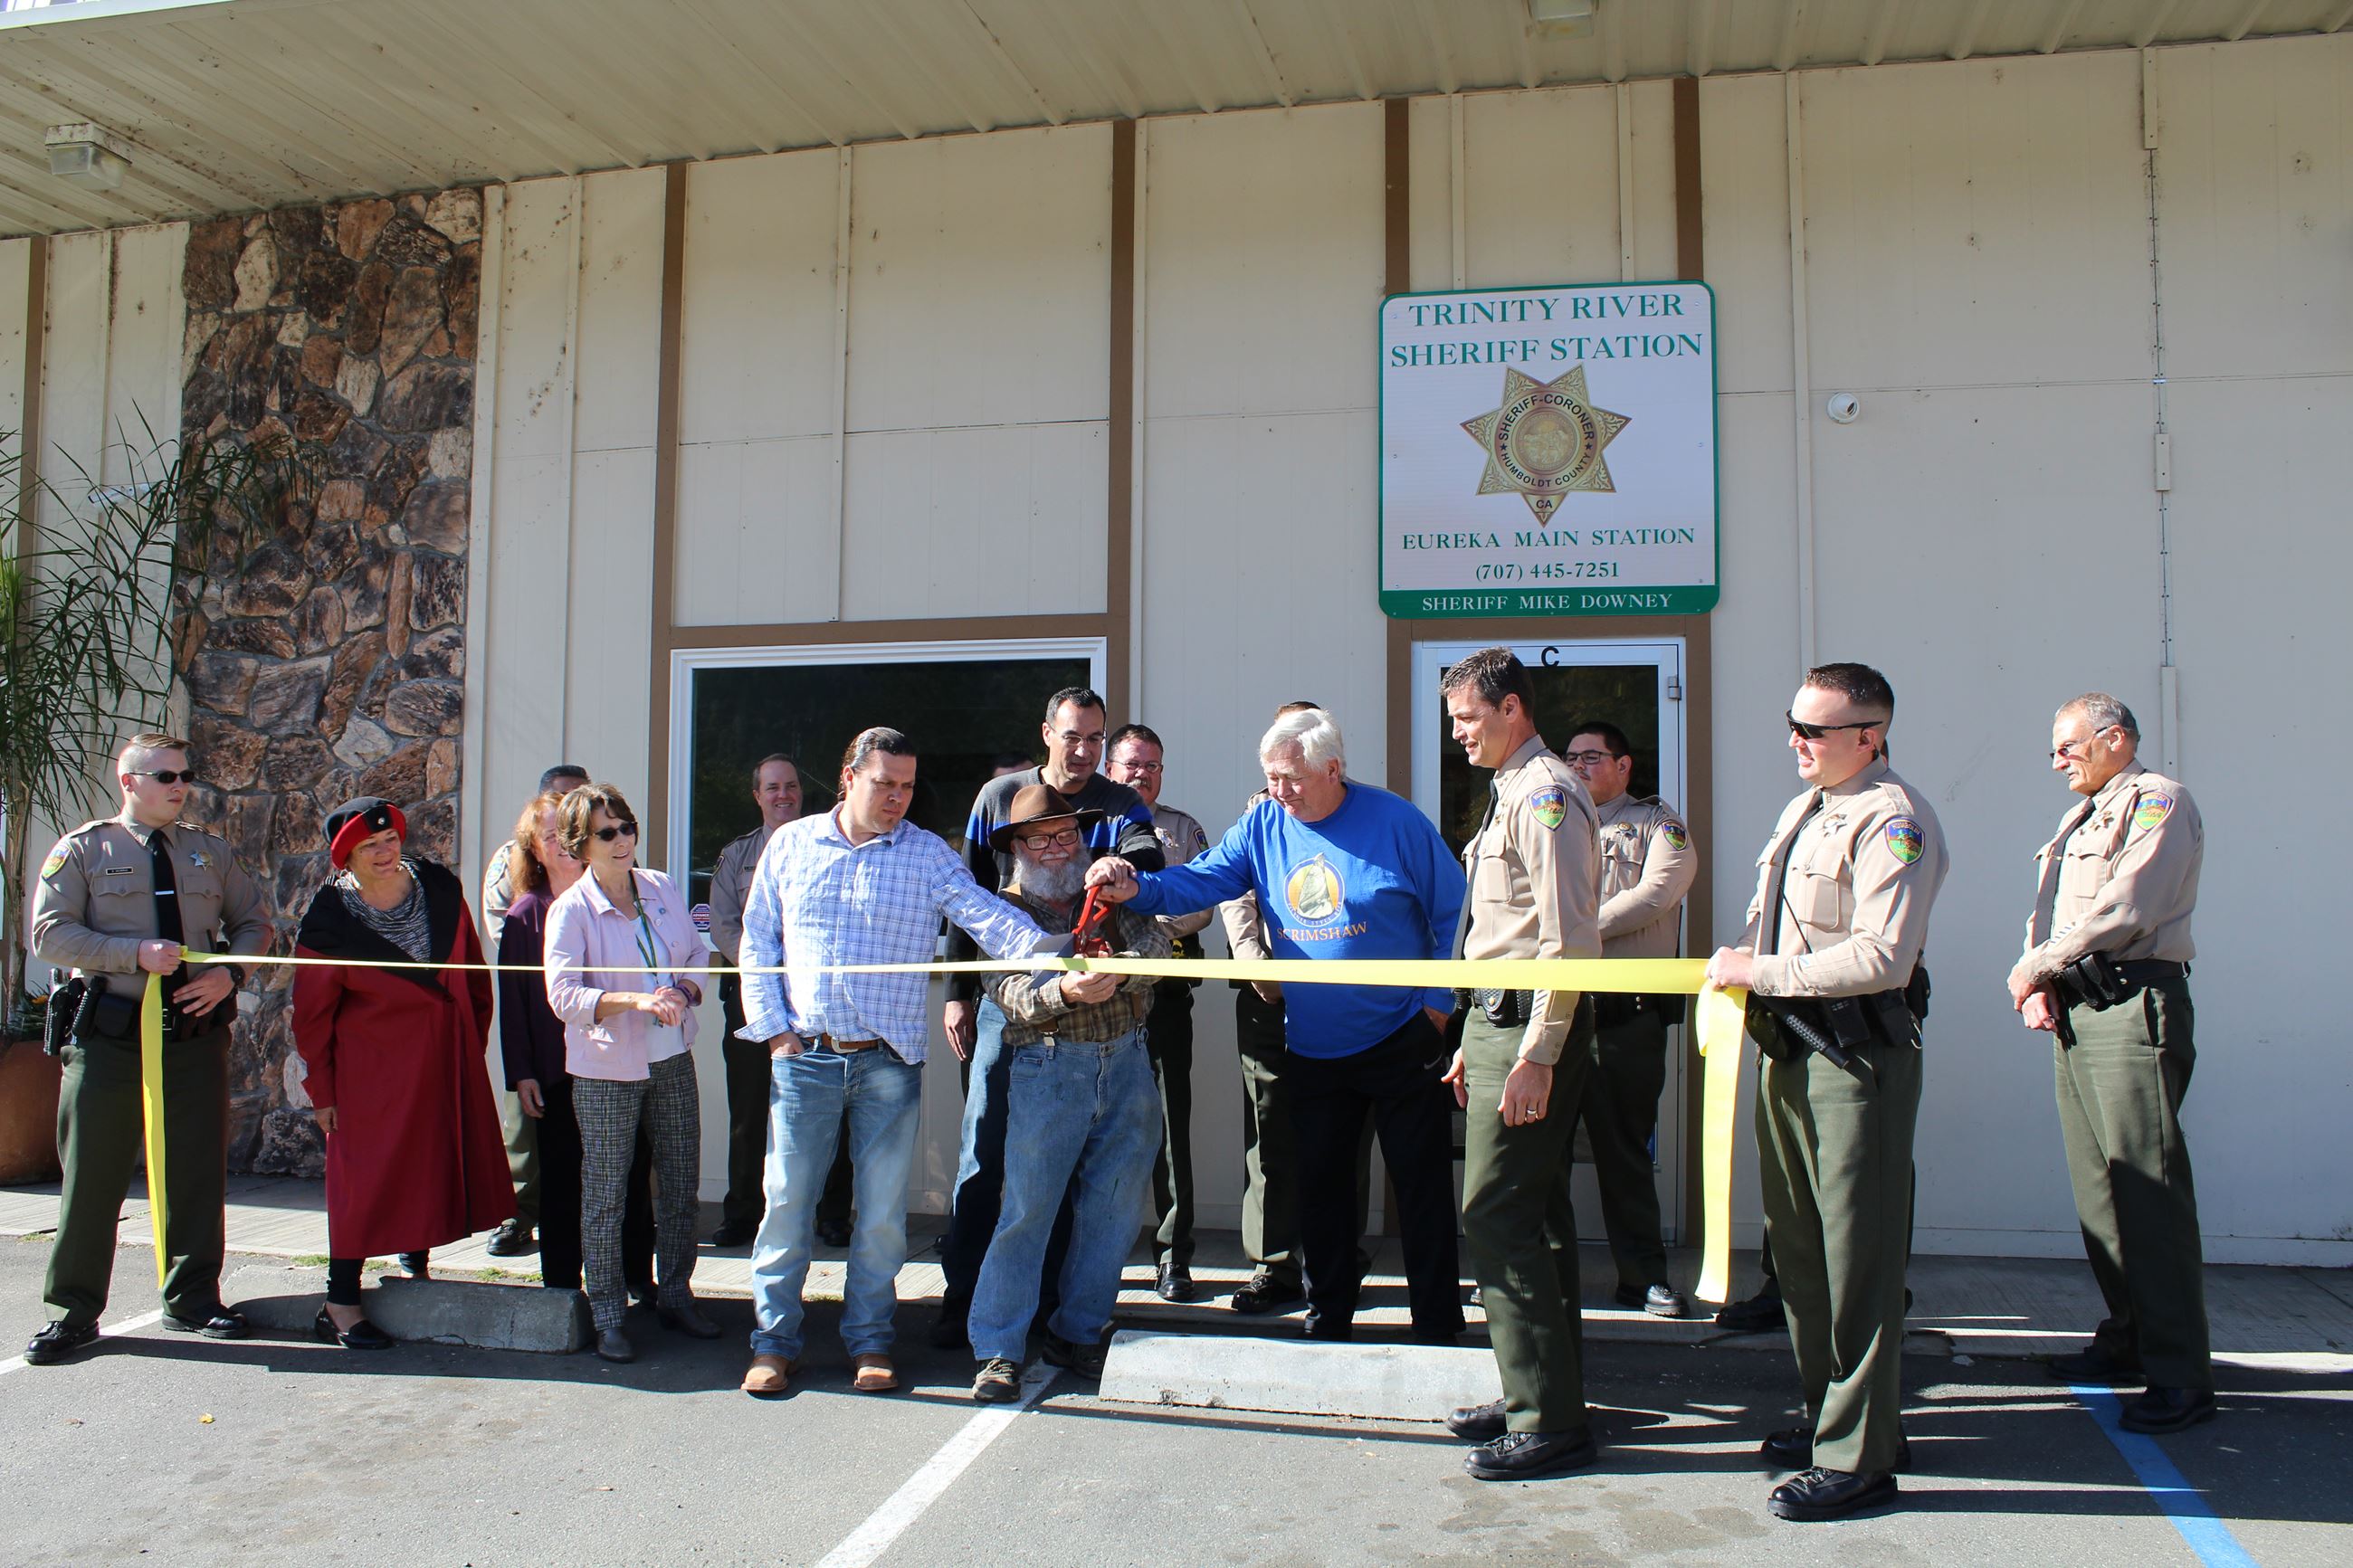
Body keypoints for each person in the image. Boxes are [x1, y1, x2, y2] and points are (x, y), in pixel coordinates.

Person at [1090, 707, 1467, 1345]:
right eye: (1271, 776)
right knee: (1320, 1190)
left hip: (1402, 1035)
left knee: (1420, 1188)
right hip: (1313, 1044)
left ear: (1333, 769)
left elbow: (1452, 908)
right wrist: (1137, 890)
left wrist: (1436, 1004)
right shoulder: (1264, 822)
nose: (1280, 790)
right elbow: (1202, 881)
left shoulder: (1395, 820)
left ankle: (1436, 1326)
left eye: (1292, 778)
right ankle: (1329, 1317)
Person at [737, 727, 1062, 1399]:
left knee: (882, 1216)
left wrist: (1060, 955)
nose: (897, 797)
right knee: (787, 1206)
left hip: (888, 1062)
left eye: (908, 786)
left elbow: (987, 917)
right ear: (848, 777)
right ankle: (773, 1343)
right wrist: (774, 1035)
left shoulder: (926, 853)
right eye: (885, 783)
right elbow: (758, 940)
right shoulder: (791, 844)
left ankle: (871, 1340)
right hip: (805, 1056)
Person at [1706, 662, 1946, 1523]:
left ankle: (1860, 1459)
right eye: (1794, 723)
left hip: (1853, 1057)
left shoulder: (1893, 818)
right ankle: (1836, 1417)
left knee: (1858, 1258)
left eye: (1814, 729)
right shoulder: (1805, 809)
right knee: (1800, 1254)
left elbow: (1883, 954)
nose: (1796, 741)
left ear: (1869, 735)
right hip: (1790, 1048)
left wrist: (1756, 971)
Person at [24, 734, 271, 1365]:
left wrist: (229, 972)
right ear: (128, 780)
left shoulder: (210, 852)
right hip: (110, 1036)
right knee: (93, 1176)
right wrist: (132, 953)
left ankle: (193, 1299)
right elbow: (50, 934)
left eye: (185, 775)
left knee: (194, 1171)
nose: (179, 786)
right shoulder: (85, 849)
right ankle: (71, 1312)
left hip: (190, 1036)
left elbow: (253, 923)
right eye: (165, 776)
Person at [2007, 693, 2212, 1434]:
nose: (2057, 761)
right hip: (2080, 1005)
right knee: (2102, 1192)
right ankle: (2131, 1339)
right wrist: (2044, 978)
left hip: (2131, 1005)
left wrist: (2037, 966)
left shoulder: (2158, 801)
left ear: (2116, 738)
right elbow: (2051, 911)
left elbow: (2128, 908)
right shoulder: (2081, 817)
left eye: (2068, 746)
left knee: (2147, 1192)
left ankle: (2181, 1375)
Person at [934, 687, 1163, 1347]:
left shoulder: (1116, 801)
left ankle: (1058, 1313)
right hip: (1009, 1010)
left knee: (1090, 1187)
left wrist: (1121, 873)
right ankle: (964, 1302)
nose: (1084, 749)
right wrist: (957, 991)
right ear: (1047, 734)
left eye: (1095, 738)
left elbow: (1149, 861)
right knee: (989, 1158)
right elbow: (968, 899)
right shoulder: (996, 797)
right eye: (1073, 737)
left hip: (1111, 1037)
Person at [1433, 650, 1605, 1480]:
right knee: (1534, 1214)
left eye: (1468, 718)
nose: (1458, 734)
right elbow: (1498, 934)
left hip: (1530, 1028)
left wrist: (1537, 1053)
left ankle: (1549, 1420)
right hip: (1497, 1021)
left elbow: (1567, 942)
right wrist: (1473, 1038)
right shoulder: (1509, 789)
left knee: (1499, 1215)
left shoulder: (1545, 796)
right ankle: (1538, 1389)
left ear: (1511, 708)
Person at [968, 784, 1169, 1401]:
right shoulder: (999, 909)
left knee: (1113, 1209)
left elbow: (1159, 946)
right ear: (1017, 849)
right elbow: (1005, 993)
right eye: (1039, 840)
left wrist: (1124, 971)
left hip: (1128, 1060)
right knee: (1027, 1209)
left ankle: (1078, 1331)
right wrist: (1064, 992)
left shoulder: (1108, 891)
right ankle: (997, 1348)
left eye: (1064, 835)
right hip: (1050, 1067)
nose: (1056, 848)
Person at [291, 797, 514, 1348]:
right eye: (369, 846)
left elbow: (473, 973)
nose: (385, 852)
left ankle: (417, 1269)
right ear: (346, 857)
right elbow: (312, 1017)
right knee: (361, 1183)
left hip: (444, 1059)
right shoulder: (329, 918)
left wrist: (469, 1046)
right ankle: (340, 1302)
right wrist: (323, 1090)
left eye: (390, 839)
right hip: (371, 1075)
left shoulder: (438, 886)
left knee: (431, 1162)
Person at [544, 783, 716, 1364]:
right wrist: (635, 1001)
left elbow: (697, 954)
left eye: (627, 827)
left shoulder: (661, 886)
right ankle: (609, 1315)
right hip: (605, 1070)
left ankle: (676, 1295)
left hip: (672, 1058)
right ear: (579, 845)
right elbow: (563, 996)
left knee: (680, 1186)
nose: (622, 840)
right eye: (607, 832)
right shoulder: (570, 910)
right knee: (606, 1195)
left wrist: (684, 991)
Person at [497, 790, 657, 1302]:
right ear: (535, 849)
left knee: (630, 1174)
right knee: (564, 1181)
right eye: (549, 837)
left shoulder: (623, 895)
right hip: (556, 1070)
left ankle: (637, 1278)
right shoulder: (527, 913)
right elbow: (515, 1001)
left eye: (567, 835)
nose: (562, 846)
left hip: (618, 1062)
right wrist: (522, 1072)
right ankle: (562, 1288)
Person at [1563, 719, 1698, 1320]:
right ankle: (1534, 1276)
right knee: (1538, 1153)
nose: (1578, 766)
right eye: (1571, 757)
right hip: (1554, 1013)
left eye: (1591, 757)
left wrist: (1573, 931)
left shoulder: (1656, 823)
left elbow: (1659, 891)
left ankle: (1642, 1278)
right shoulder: (1549, 821)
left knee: (1625, 1155)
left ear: (1624, 766)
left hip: (1622, 1022)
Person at [707, 754, 855, 1250]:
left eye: (791, 786)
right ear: (757, 796)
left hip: (818, 1000)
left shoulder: (827, 844)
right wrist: (769, 969)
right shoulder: (737, 856)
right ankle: (742, 1214)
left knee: (832, 1107)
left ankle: (832, 1214)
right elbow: (724, 926)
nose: (783, 795)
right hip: (754, 998)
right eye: (772, 788)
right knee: (750, 1111)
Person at [1104, 722, 1214, 1303]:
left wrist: (1142, 928)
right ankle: (1093, 1255)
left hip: (1165, 994)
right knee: (1097, 1126)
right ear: (1110, 769)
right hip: (1099, 1000)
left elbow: (1201, 903)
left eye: (1151, 765)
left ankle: (1174, 1256)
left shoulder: (1181, 829)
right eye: (1131, 764)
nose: (1141, 774)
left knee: (1171, 1125)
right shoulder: (1088, 821)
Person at [481, 762, 590, 1259]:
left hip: (596, 1045)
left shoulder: (607, 861)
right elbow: (508, 944)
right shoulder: (514, 871)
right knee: (528, 1135)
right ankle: (520, 1217)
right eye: (561, 798)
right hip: (542, 1031)